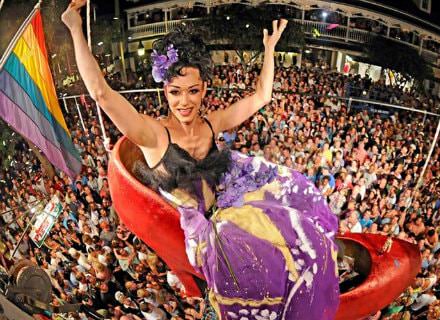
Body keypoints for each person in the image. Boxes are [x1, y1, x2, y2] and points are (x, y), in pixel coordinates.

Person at [62, 1, 339, 319]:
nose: (184, 101)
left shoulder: (211, 123)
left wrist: (270, 48)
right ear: (164, 90)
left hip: (233, 205)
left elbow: (261, 96)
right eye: (175, 91)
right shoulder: (153, 135)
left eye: (192, 91)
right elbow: (100, 92)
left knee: (299, 218)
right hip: (207, 233)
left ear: (204, 88)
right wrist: (73, 25)